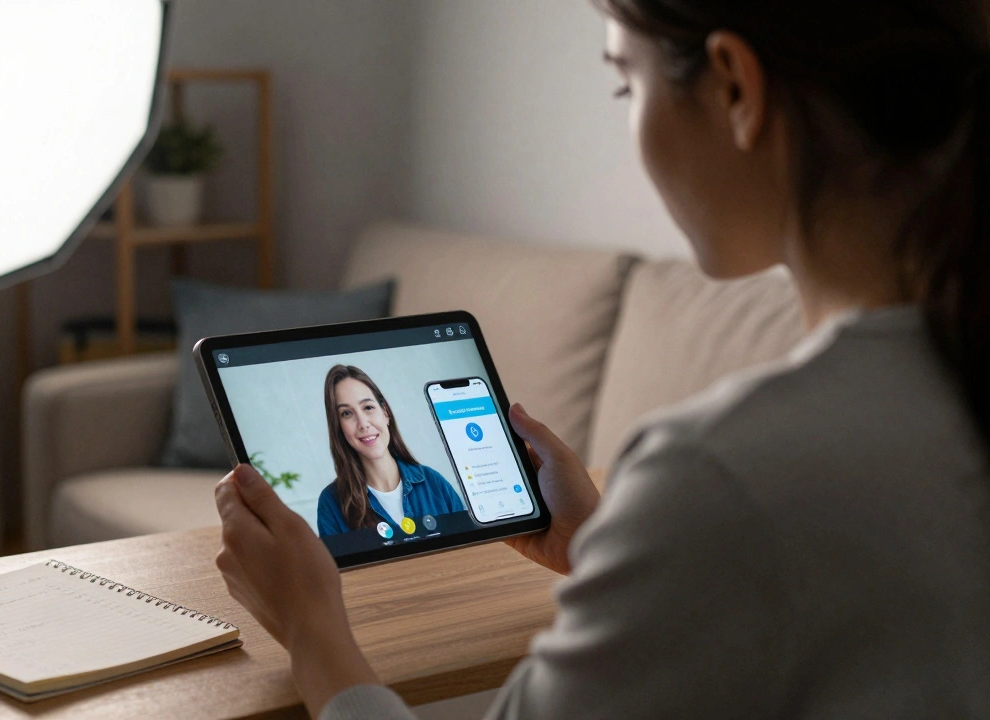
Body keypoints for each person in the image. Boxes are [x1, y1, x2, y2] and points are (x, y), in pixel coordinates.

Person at [212, 0, 990, 717]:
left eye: (626, 85)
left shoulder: (717, 471)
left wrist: (310, 628)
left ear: (735, 89)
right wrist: (604, 546)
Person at [315, 365, 466, 537]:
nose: (363, 424)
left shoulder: (434, 484)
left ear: (385, 413)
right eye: (347, 413)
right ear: (338, 427)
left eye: (368, 408)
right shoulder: (331, 504)